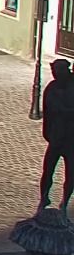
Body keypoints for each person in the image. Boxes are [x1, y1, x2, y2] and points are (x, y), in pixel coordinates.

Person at [39, 59, 74, 211]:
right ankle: (44, 198)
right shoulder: (52, 88)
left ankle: (64, 203)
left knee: (71, 174)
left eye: (58, 71)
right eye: (54, 72)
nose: (55, 75)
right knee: (48, 171)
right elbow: (47, 111)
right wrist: (48, 133)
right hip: (56, 137)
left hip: (71, 139)